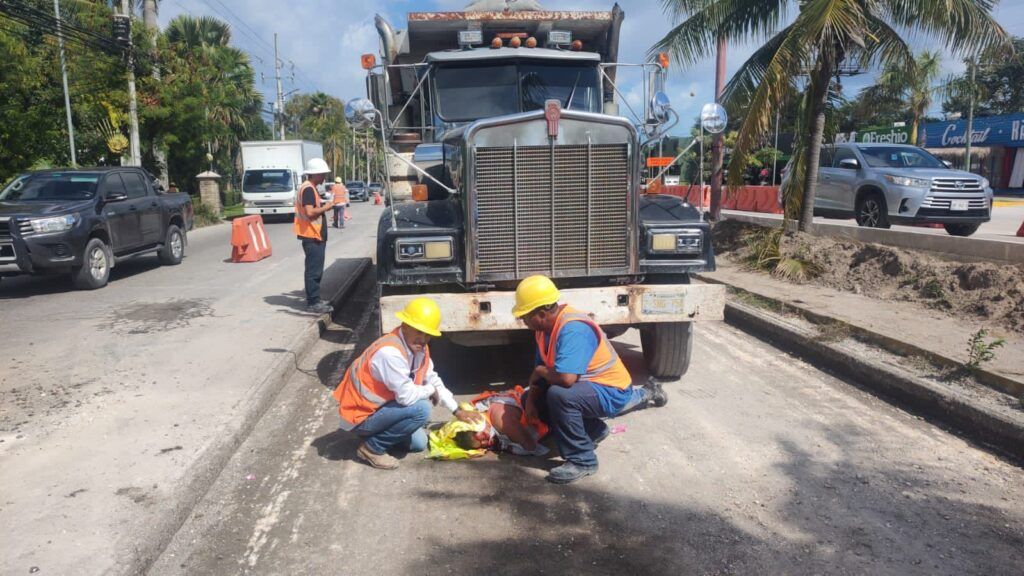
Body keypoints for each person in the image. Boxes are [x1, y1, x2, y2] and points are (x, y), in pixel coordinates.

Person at [513, 274, 667, 484]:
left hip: (612, 390)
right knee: (533, 396)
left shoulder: (573, 329)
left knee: (560, 396)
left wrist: (540, 372)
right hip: (589, 388)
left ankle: (582, 460)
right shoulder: (543, 330)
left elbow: (566, 380)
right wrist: (530, 401)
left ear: (541, 314)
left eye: (524, 316)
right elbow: (542, 374)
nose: (522, 321)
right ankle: (594, 430)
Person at [332, 297, 483, 470]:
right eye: (418, 331)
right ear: (404, 326)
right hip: (360, 415)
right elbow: (406, 397)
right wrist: (429, 390)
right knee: (422, 409)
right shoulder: (390, 352)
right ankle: (371, 448)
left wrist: (456, 410)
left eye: (427, 335)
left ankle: (378, 435)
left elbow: (432, 377)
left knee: (419, 443)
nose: (423, 339)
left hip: (381, 409)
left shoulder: (418, 348)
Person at [435, 386, 550, 459]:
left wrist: (504, 446)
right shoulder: (482, 411)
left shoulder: (500, 420)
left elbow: (531, 447)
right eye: (482, 445)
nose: (486, 442)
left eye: (481, 438)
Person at [294, 158, 335, 314]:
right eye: (323, 174)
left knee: (315, 269)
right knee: (314, 270)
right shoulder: (309, 189)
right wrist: (327, 207)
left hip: (313, 235)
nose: (324, 177)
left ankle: (315, 298)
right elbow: (310, 212)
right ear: (316, 174)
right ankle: (313, 302)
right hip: (312, 235)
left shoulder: (309, 188)